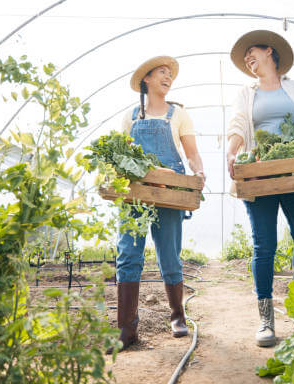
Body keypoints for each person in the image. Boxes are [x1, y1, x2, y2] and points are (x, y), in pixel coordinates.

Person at [226, 30, 294, 347]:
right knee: (265, 245)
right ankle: (265, 318)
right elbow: (237, 124)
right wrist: (232, 152)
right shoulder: (246, 94)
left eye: (253, 52)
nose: (248, 59)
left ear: (270, 52)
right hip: (259, 173)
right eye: (245, 56)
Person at [110, 56, 205, 352]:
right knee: (128, 254)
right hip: (136, 191)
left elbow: (191, 153)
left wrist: (199, 171)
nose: (168, 77)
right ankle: (126, 329)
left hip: (169, 191)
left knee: (169, 255)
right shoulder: (130, 117)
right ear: (146, 79)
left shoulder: (178, 115)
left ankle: (177, 316)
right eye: (161, 73)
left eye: (170, 74)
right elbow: (121, 155)